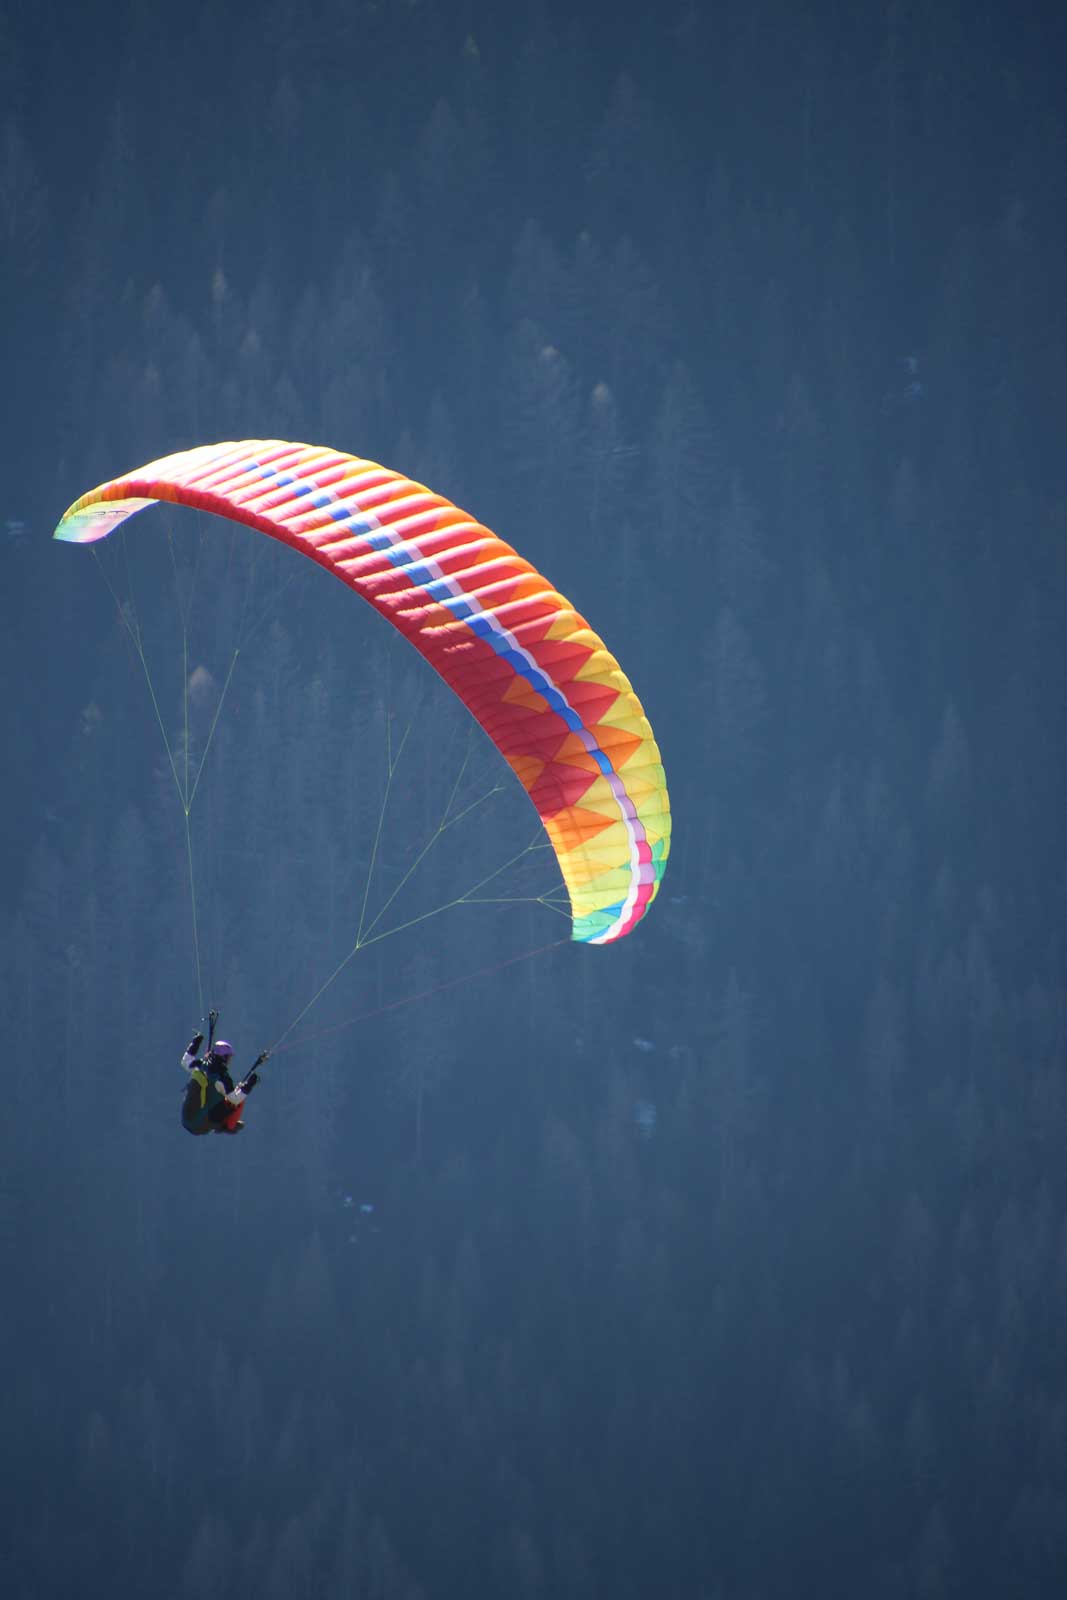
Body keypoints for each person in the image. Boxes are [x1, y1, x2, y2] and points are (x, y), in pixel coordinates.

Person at [181, 1009, 269, 1136]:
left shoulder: (201, 1065)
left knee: (227, 1098)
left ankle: (225, 1125)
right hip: (201, 1126)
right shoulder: (222, 1078)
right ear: (225, 1058)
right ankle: (227, 1126)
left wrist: (196, 1041)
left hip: (186, 1120)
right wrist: (251, 1082)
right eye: (229, 1058)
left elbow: (185, 1061)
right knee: (234, 1103)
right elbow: (235, 1098)